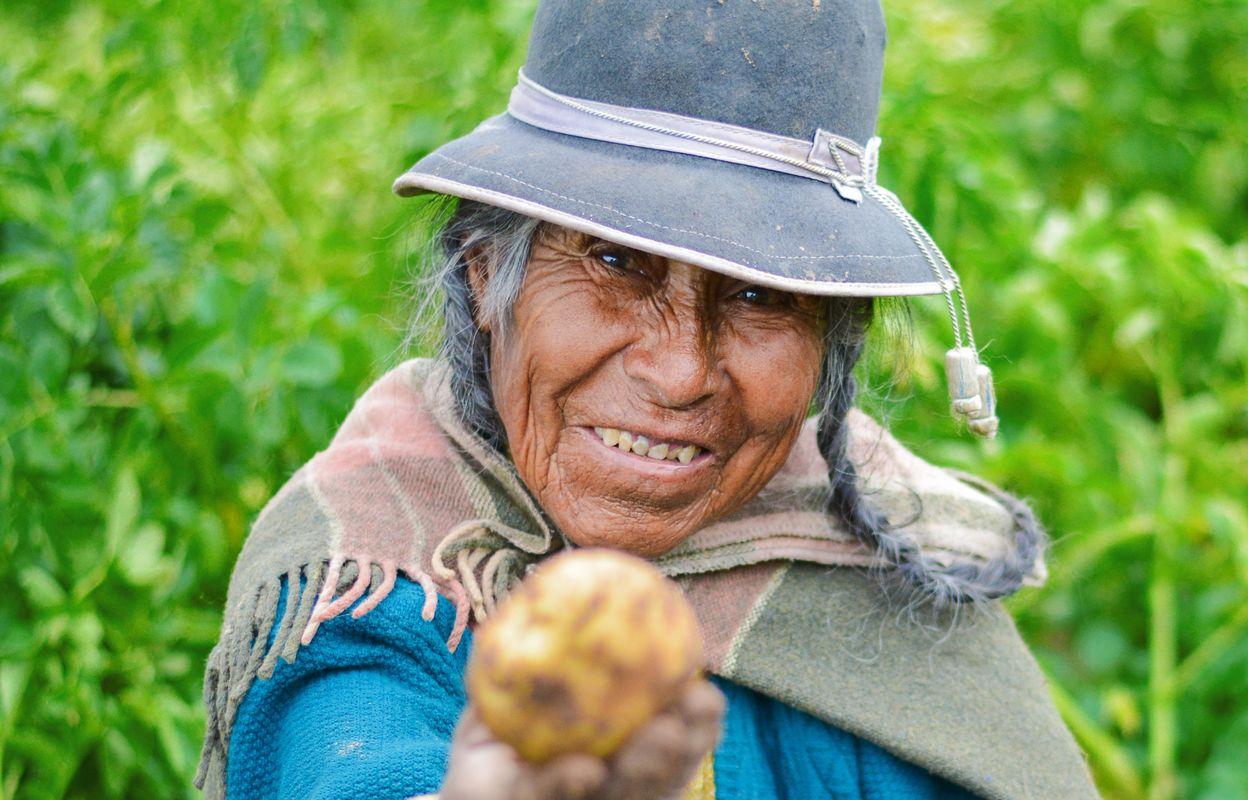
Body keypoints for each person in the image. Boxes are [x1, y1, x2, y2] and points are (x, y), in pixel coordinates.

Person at [195, 1, 1100, 798]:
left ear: (831, 346)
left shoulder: (888, 588)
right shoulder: (374, 580)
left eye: (760, 294)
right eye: (615, 263)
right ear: (484, 278)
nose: (679, 373)